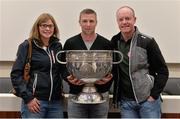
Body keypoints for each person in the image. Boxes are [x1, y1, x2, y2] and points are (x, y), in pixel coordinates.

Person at [111, 6, 169, 118]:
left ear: (134, 19)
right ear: (117, 21)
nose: (124, 22)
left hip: (147, 102)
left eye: (127, 18)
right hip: (126, 103)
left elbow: (163, 71)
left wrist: (153, 96)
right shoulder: (114, 41)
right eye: (121, 19)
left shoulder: (147, 42)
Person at [10, 13, 66, 118]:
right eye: (44, 25)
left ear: (54, 28)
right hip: (35, 103)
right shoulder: (27, 46)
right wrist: (28, 98)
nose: (47, 29)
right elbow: (15, 75)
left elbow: (62, 70)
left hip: (55, 103)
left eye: (50, 26)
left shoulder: (57, 46)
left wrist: (71, 77)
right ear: (37, 27)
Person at [63, 8, 113, 118]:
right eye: (85, 21)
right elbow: (62, 67)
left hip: (101, 96)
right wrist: (68, 78)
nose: (88, 24)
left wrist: (106, 81)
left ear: (96, 22)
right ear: (79, 22)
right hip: (76, 95)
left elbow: (113, 69)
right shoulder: (70, 43)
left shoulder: (106, 44)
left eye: (91, 21)